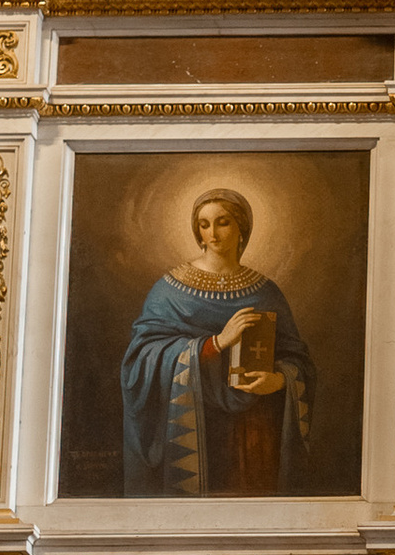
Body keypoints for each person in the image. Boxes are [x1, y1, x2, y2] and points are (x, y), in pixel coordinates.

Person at [119, 186, 317, 497]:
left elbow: (299, 361)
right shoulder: (168, 291)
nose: (212, 233)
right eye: (204, 224)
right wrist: (215, 343)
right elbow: (140, 360)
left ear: (242, 228)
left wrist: (279, 381)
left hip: (254, 430)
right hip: (191, 428)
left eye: (223, 222)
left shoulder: (266, 292)